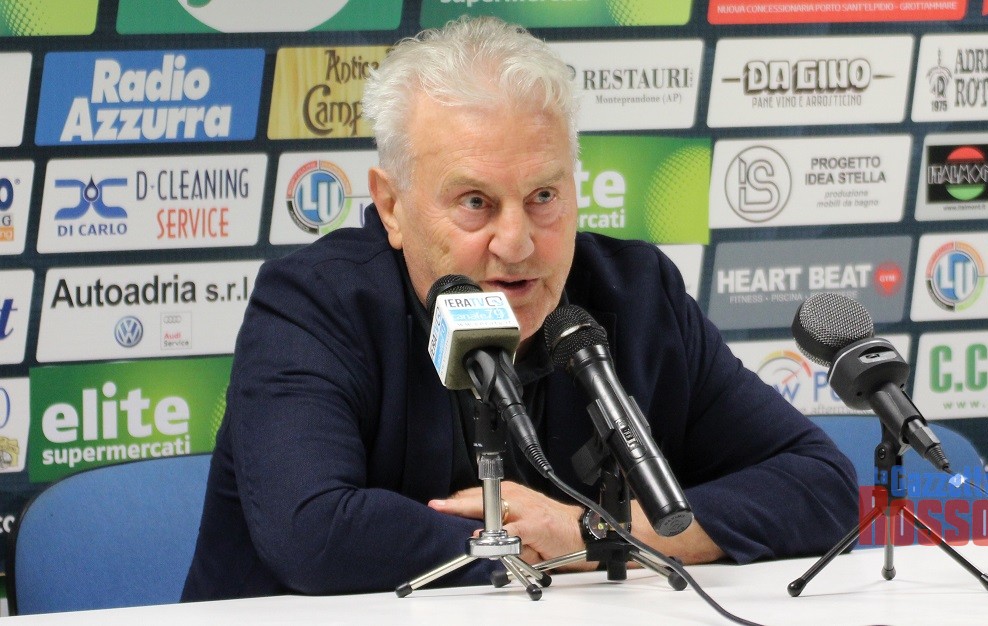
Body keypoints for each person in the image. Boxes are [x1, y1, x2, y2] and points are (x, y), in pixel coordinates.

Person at [182, 16, 857, 601]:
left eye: (543, 197)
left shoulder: (638, 294)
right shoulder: (313, 304)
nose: (518, 242)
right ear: (392, 206)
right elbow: (314, 532)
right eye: (475, 202)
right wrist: (531, 545)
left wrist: (593, 534)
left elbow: (821, 485)